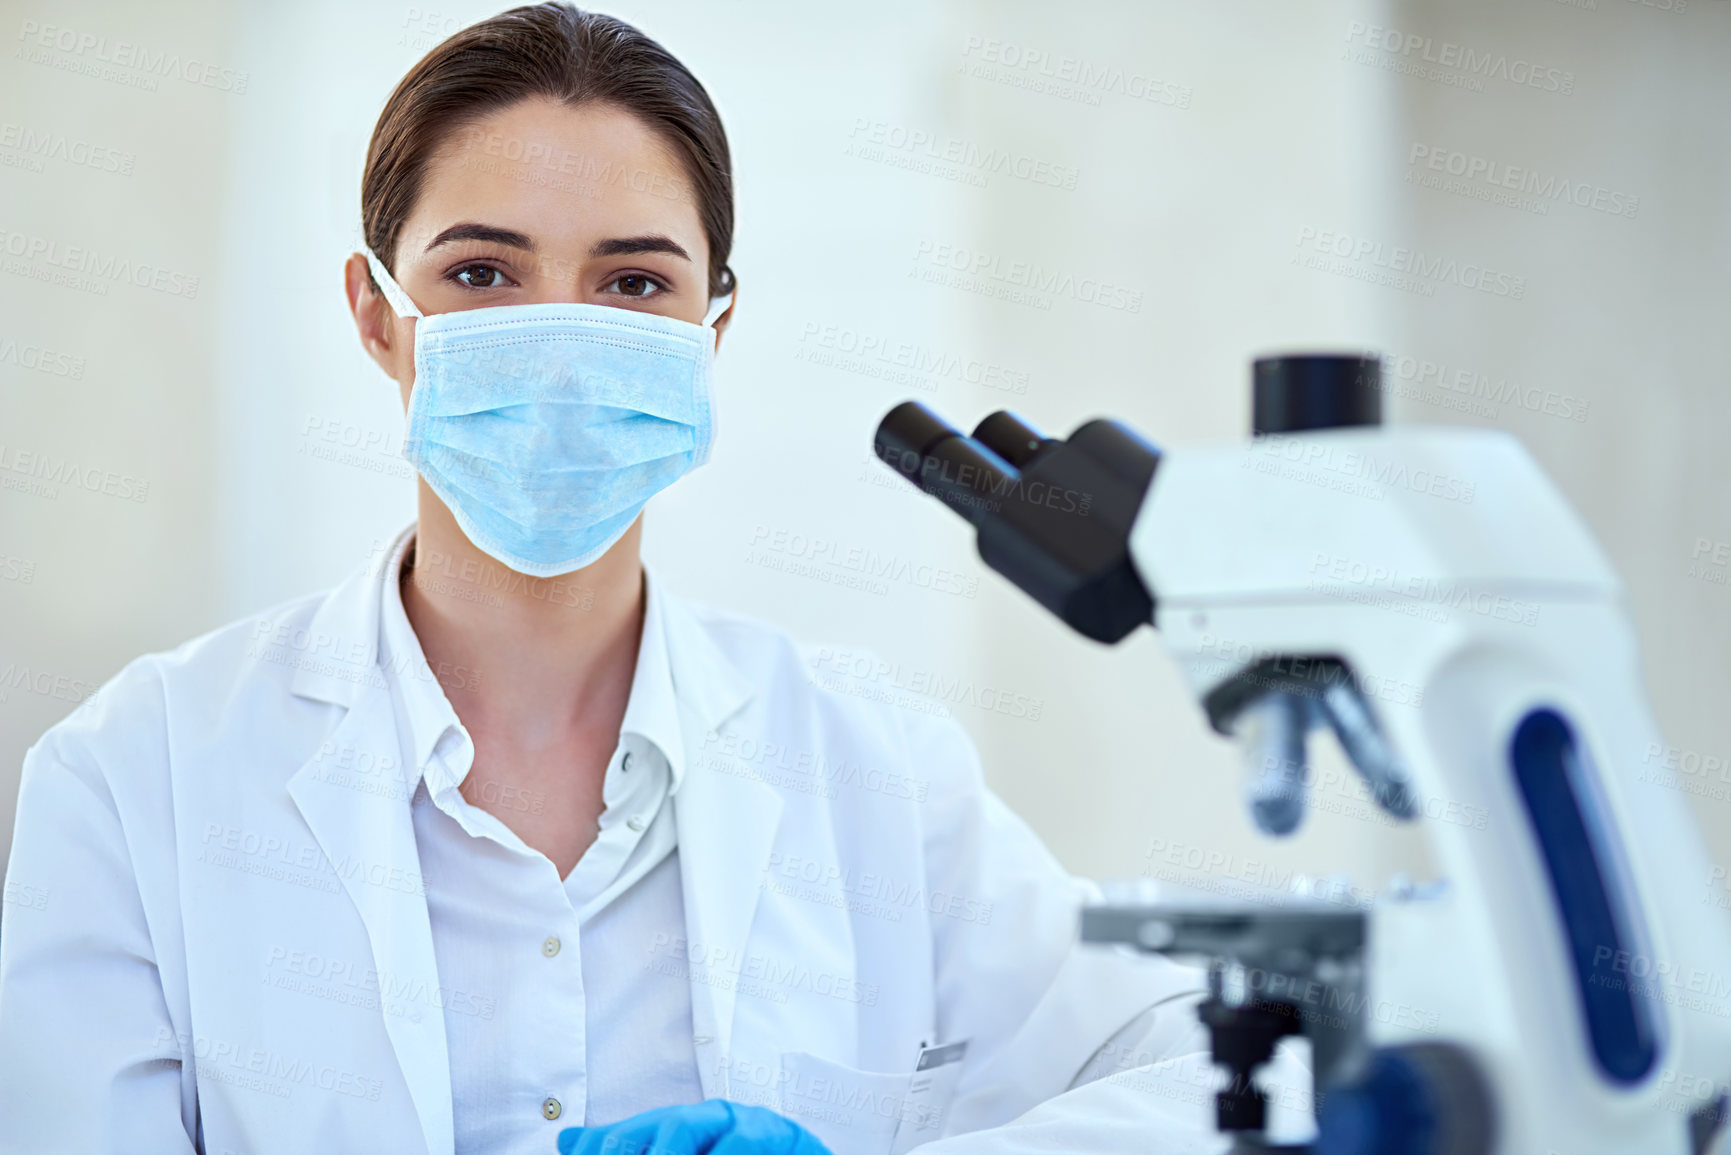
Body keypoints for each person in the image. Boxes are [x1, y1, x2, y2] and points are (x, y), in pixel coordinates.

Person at [0, 5, 1310, 1153]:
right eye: (482, 273)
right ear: (373, 313)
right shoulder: (136, 782)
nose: (561, 341)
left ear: (713, 328)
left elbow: (1226, 1077)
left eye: (633, 282)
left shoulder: (873, 773)